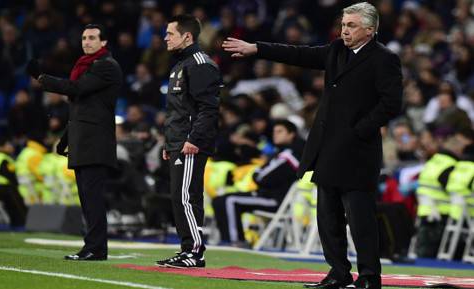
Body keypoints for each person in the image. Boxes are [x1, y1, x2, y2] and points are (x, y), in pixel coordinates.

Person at [223, 2, 402, 289]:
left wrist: (360, 129)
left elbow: (392, 104)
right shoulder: (335, 50)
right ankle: (338, 273)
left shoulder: (384, 59)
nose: (344, 30)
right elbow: (297, 53)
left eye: (351, 25)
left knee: (360, 219)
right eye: (344, 24)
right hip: (328, 147)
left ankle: (369, 277)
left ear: (370, 29)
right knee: (328, 217)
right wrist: (257, 48)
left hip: (358, 150)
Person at [26, 24, 123, 261]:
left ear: (104, 43)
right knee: (88, 200)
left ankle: (96, 248)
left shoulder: (106, 67)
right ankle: (94, 247)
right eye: (83, 38)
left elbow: (76, 89)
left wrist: (41, 78)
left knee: (92, 200)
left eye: (92, 38)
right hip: (84, 143)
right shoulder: (87, 67)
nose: (86, 42)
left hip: (95, 144)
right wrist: (65, 140)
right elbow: (81, 109)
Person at [155, 15, 221, 268]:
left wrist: (193, 139)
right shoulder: (182, 64)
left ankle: (194, 252)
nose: (165, 38)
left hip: (190, 143)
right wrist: (169, 143)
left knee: (186, 198)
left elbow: (208, 109)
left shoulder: (200, 64)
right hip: (178, 142)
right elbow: (178, 111)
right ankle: (187, 250)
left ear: (187, 36)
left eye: (170, 33)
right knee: (178, 197)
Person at [212, 119, 304, 246]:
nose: (275, 134)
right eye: (274, 131)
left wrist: (258, 175)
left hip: (275, 199)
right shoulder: (281, 152)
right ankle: (226, 239)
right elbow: (262, 174)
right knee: (219, 200)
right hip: (264, 194)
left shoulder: (290, 155)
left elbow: (261, 176)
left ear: (291, 134)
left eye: (280, 131)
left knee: (230, 200)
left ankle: (235, 241)